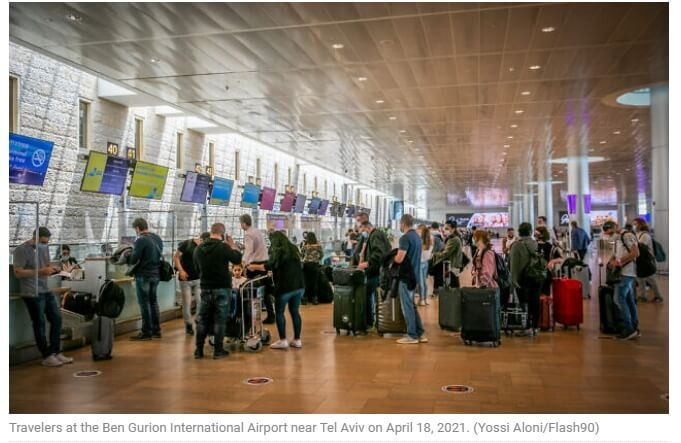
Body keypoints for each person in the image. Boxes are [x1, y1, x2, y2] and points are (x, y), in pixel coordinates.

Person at [13, 227, 73, 367]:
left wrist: (53, 270)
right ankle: (46, 355)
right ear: (34, 238)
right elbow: (18, 272)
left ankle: (56, 351)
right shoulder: (21, 250)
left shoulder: (45, 249)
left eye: (46, 243)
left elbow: (47, 265)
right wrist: (40, 271)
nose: (44, 245)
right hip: (31, 291)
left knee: (56, 318)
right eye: (42, 242)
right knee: (39, 322)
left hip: (45, 289)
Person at [192, 223, 243, 359]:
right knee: (220, 319)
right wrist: (232, 245)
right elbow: (237, 259)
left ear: (210, 232)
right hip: (222, 288)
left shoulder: (198, 249)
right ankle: (218, 351)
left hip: (205, 288)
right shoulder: (223, 247)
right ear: (223, 233)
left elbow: (196, 269)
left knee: (202, 320)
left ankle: (198, 351)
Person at [248, 231, 305, 350]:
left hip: (285, 288)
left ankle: (283, 340)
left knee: (279, 312)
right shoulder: (293, 249)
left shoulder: (278, 251)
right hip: (299, 286)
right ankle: (297, 340)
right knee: (295, 312)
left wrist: (254, 267)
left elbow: (269, 266)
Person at [602, 221, 640, 340]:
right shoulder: (618, 238)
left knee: (618, 299)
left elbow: (635, 253)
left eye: (608, 232)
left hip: (626, 273)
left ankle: (628, 329)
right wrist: (611, 261)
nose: (608, 235)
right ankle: (634, 327)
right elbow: (617, 254)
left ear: (614, 227)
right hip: (622, 273)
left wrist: (618, 262)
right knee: (628, 300)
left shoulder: (627, 235)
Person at [393, 214, 427, 344]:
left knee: (407, 306)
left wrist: (393, 259)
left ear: (402, 223)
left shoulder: (405, 238)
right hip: (415, 275)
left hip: (406, 277)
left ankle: (411, 335)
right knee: (412, 305)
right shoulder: (417, 238)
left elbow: (400, 258)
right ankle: (421, 333)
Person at [128, 218, 164, 341]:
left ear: (138, 228)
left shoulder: (141, 240)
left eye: (135, 229)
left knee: (144, 304)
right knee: (153, 302)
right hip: (156, 275)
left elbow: (133, 260)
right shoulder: (157, 238)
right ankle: (156, 330)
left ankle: (146, 332)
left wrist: (128, 254)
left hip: (144, 275)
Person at [240, 214, 275, 324]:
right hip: (264, 262)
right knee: (266, 291)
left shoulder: (248, 234)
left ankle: (250, 317)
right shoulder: (258, 231)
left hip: (255, 265)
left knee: (249, 290)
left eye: (241, 223)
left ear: (244, 223)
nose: (241, 225)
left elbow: (249, 250)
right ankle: (271, 314)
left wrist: (243, 262)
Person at [174, 232, 210, 336]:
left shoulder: (205, 248)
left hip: (198, 279)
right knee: (187, 303)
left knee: (200, 301)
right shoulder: (186, 244)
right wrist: (181, 271)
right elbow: (176, 258)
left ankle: (198, 319)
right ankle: (188, 325)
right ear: (201, 239)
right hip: (185, 279)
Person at [509, 222, 541, 337]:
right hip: (536, 277)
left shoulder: (516, 245)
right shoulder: (535, 243)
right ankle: (536, 326)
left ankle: (526, 327)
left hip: (523, 278)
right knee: (535, 301)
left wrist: (513, 281)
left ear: (519, 232)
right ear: (531, 231)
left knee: (524, 303)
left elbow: (513, 265)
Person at [357, 221, 391, 328]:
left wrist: (367, 263)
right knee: (374, 296)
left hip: (376, 272)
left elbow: (378, 253)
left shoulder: (375, 235)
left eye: (362, 230)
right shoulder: (376, 235)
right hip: (378, 271)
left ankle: (369, 322)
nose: (362, 233)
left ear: (366, 227)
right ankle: (375, 322)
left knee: (368, 294)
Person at [632, 218, 662, 303]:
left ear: (641, 225)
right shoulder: (637, 234)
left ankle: (658, 296)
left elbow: (641, 246)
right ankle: (642, 296)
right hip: (640, 260)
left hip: (646, 261)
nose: (634, 226)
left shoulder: (645, 235)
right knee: (640, 279)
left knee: (651, 279)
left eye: (635, 224)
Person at [431, 220, 463, 290]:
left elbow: (445, 253)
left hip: (452, 265)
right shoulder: (451, 238)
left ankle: (455, 299)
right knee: (450, 285)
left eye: (447, 228)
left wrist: (434, 254)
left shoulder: (454, 239)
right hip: (450, 265)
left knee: (453, 286)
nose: (445, 230)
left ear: (453, 229)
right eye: (444, 228)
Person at [301, 232, 323, 305]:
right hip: (315, 265)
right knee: (315, 282)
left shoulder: (305, 246)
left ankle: (304, 299)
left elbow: (301, 255)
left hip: (306, 265)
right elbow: (322, 255)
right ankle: (315, 299)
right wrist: (317, 259)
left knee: (306, 282)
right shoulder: (318, 246)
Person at [535, 226, 553, 296]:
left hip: (545, 273)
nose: (535, 234)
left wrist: (551, 262)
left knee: (545, 295)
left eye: (537, 233)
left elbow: (560, 258)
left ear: (542, 234)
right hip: (535, 273)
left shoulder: (548, 245)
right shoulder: (533, 244)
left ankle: (545, 306)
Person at [417, 225, 433, 306]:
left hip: (419, 264)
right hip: (426, 263)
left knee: (421, 283)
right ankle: (425, 299)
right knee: (424, 282)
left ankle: (422, 299)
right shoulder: (430, 242)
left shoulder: (420, 242)